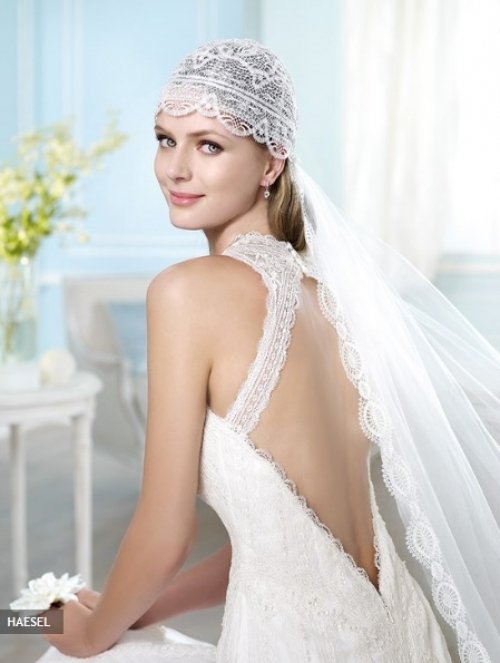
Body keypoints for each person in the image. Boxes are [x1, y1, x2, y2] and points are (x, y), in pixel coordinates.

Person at [36, 38, 499, 663]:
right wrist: (139, 607)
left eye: (209, 145)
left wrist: (89, 634)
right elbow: (283, 542)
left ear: (271, 164)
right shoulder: (331, 300)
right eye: (166, 139)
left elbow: (165, 528)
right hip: (408, 641)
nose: (176, 169)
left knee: (41, 633)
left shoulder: (186, 292)